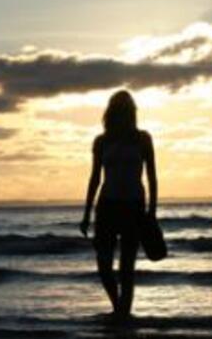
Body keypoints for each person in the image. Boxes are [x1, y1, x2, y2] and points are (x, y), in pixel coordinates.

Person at [80, 89, 158, 320]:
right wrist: (86, 213)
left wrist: (152, 212)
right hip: (107, 206)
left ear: (132, 113)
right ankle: (118, 308)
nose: (123, 114)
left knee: (126, 268)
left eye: (126, 110)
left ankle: (123, 316)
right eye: (118, 110)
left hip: (134, 207)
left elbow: (152, 177)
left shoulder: (143, 139)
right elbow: (95, 178)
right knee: (104, 266)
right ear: (111, 113)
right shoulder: (102, 141)